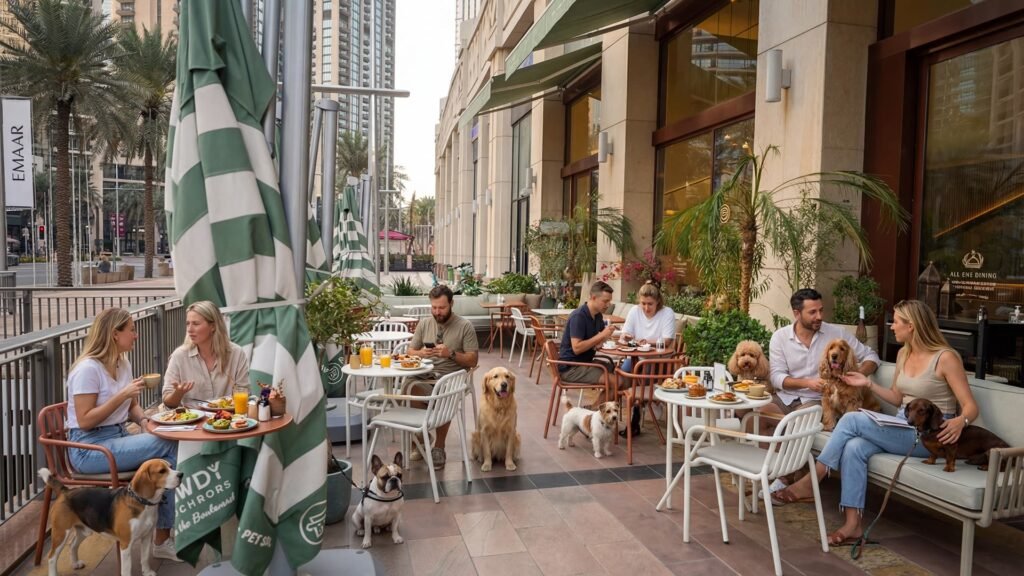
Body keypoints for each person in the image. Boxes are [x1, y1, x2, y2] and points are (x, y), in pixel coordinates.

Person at [773, 299, 980, 546]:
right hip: (902, 426)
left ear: (911, 326)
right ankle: (853, 526)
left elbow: (971, 407)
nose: (892, 327)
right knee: (854, 447)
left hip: (931, 436)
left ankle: (811, 481)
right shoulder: (904, 353)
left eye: (896, 322)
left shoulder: (945, 358)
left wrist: (960, 421)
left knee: (851, 420)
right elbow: (897, 397)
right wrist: (868, 383)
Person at [64, 307, 181, 561]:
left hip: (117, 437)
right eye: (132, 330)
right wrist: (123, 395)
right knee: (169, 447)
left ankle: (151, 526)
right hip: (89, 448)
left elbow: (131, 407)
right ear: (115, 334)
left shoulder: (122, 362)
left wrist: (143, 420)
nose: (136, 335)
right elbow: (84, 421)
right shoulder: (88, 370)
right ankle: (160, 535)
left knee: (167, 440)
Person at [767, 288, 880, 415]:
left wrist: (857, 376)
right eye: (813, 312)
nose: (819, 317)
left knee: (796, 422)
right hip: (785, 398)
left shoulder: (837, 333)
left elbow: (871, 356)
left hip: (817, 400)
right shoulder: (779, 337)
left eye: (821, 310)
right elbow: (776, 377)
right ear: (797, 314)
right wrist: (808, 383)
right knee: (755, 418)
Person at [407, 284, 479, 469]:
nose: (437, 312)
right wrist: (421, 353)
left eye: (442, 307)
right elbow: (410, 351)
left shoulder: (465, 326)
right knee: (408, 387)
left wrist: (451, 354)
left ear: (451, 304)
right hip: (426, 374)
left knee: (445, 393)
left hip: (451, 378)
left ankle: (439, 446)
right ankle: (422, 439)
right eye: (434, 307)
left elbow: (473, 359)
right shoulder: (424, 324)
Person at [162, 301, 250, 409]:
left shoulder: (236, 353)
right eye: (187, 323)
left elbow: (244, 393)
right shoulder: (179, 356)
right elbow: (168, 402)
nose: (189, 329)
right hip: (192, 422)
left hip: (229, 421)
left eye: (196, 324)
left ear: (213, 326)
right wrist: (178, 393)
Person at [558, 281, 617, 391]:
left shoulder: (597, 315)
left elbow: (600, 337)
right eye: (605, 301)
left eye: (609, 301)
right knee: (616, 382)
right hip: (571, 368)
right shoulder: (579, 316)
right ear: (593, 298)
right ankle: (596, 407)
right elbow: (577, 348)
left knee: (616, 370)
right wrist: (601, 336)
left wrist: (607, 335)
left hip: (585, 363)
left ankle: (600, 407)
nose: (608, 305)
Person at [619, 281, 676, 373]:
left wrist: (644, 342)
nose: (646, 308)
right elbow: (624, 335)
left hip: (659, 359)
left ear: (657, 301)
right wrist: (625, 336)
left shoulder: (667, 313)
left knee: (644, 372)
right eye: (643, 303)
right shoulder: (634, 311)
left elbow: (667, 341)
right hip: (636, 357)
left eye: (650, 304)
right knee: (622, 373)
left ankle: (639, 386)